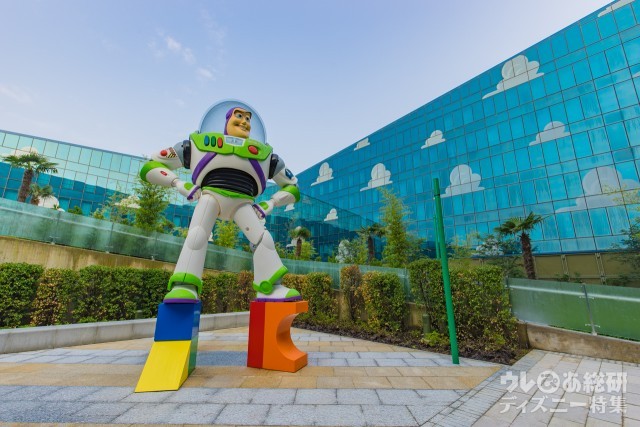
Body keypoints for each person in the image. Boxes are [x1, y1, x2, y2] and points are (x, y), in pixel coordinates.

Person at [140, 100, 301, 303]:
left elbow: (293, 188)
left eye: (247, 118)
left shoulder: (268, 157)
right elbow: (151, 166)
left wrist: (270, 203)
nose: (244, 122)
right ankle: (184, 286)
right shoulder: (197, 145)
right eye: (239, 116)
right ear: (227, 120)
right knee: (198, 235)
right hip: (210, 196)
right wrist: (179, 183)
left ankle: (270, 288)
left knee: (263, 240)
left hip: (243, 203)